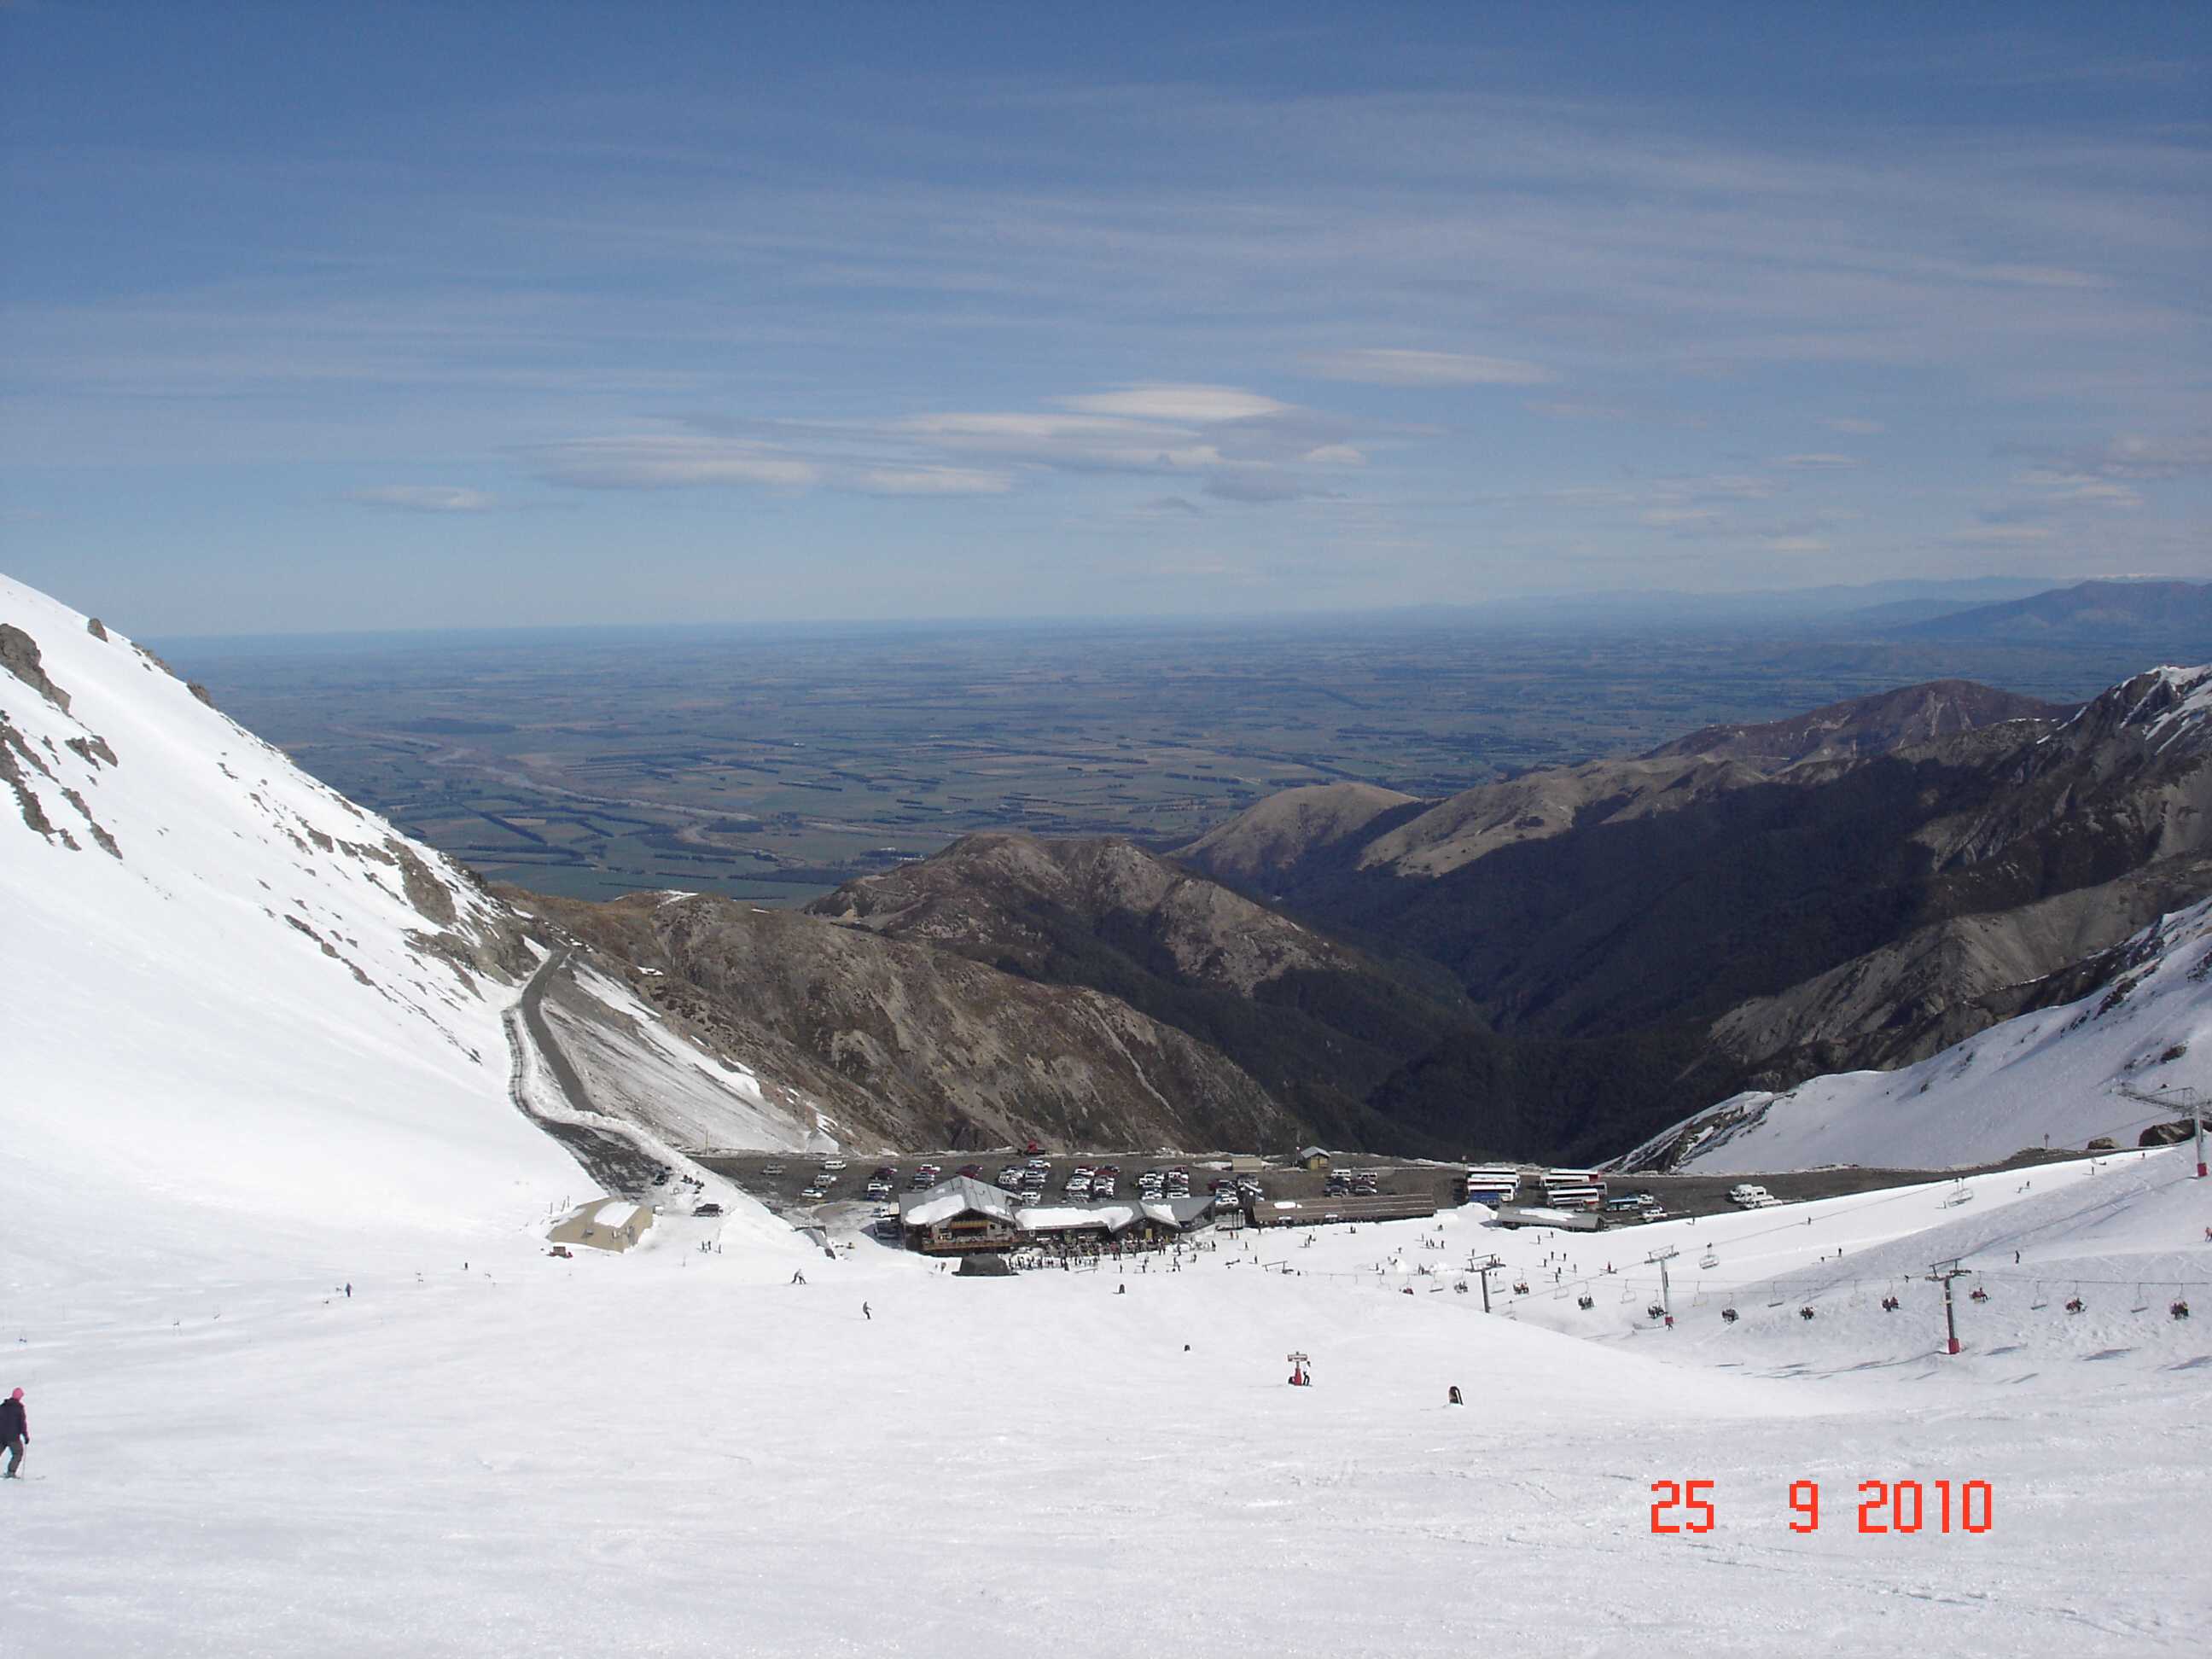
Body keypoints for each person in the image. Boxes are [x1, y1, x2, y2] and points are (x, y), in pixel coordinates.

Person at [2, 1387, 26, 1479]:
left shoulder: (3, 1406)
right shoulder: (19, 1408)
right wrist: (26, 1436)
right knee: (18, 1453)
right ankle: (11, 1472)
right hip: (13, 1437)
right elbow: (22, 1424)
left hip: (1, 1436)